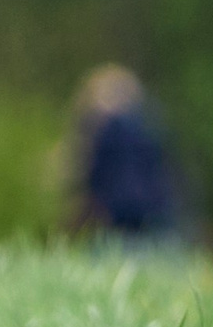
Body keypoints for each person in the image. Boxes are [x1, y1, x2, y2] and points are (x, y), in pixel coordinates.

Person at [70, 65, 183, 244]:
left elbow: (93, 174)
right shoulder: (149, 124)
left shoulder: (103, 130)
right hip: (150, 207)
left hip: (115, 209)